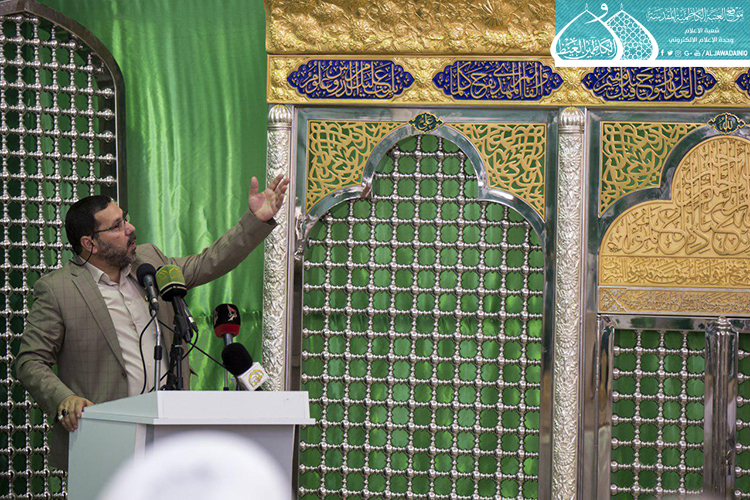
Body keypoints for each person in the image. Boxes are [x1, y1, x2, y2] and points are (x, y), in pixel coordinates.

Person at [14, 174, 289, 470]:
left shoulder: (149, 262)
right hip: (103, 440)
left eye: (125, 219)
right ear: (89, 243)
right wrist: (64, 399)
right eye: (117, 226)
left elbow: (208, 262)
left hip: (169, 436)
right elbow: (30, 361)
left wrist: (256, 220)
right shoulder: (59, 289)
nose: (130, 228)